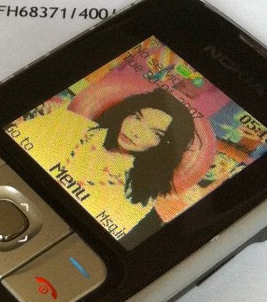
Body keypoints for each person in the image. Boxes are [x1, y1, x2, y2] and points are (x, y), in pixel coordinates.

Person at [15, 86, 197, 242]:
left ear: (164, 145)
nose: (135, 131)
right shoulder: (72, 124)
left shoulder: (137, 195)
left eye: (155, 132)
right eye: (137, 117)